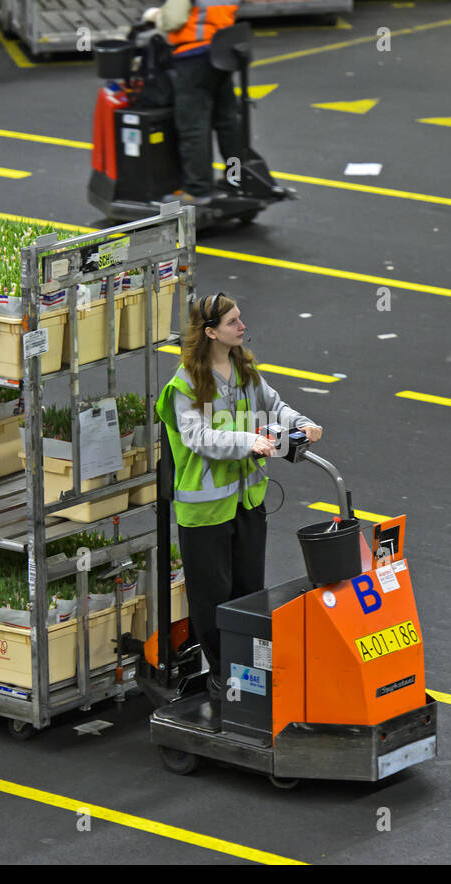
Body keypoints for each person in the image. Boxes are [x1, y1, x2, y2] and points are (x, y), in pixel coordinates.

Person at [155, 292, 322, 717]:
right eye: (233, 322)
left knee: (249, 592)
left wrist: (300, 423)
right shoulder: (186, 383)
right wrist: (251, 440)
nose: (242, 327)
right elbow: (198, 438)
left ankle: (250, 675)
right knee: (213, 600)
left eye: (240, 319)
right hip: (206, 510)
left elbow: (274, 405)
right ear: (211, 332)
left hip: (247, 502)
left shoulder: (244, 368)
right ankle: (221, 678)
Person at [142, 0, 243, 205]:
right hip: (223, 50)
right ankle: (236, 177)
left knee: (193, 125)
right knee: (227, 121)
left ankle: (197, 190)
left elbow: (174, 20)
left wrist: (155, 16)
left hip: (194, 56)